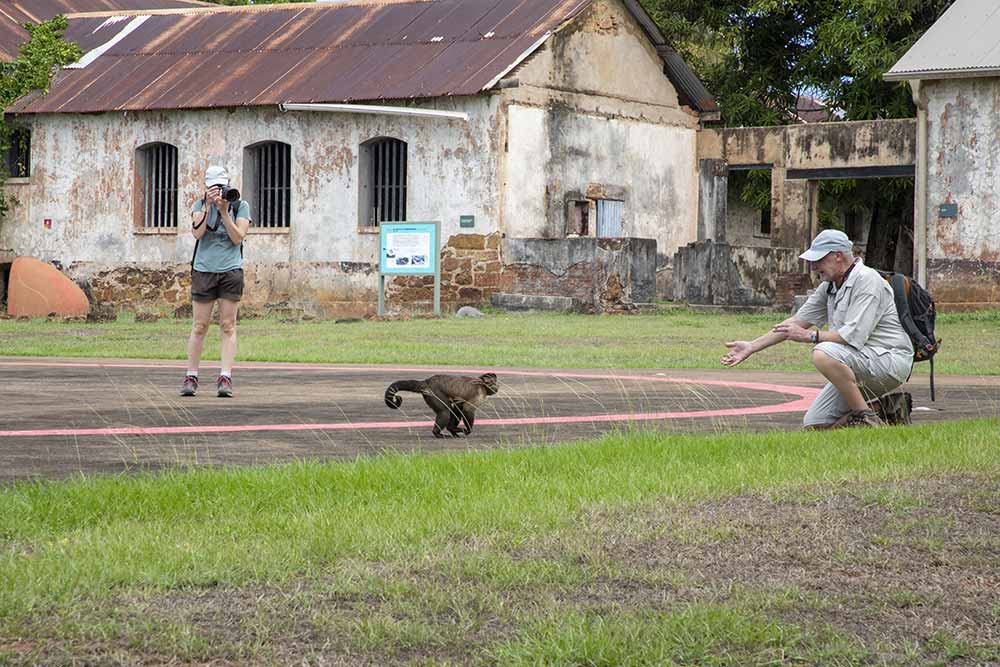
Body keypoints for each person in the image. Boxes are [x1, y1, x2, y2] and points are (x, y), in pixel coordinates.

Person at [721, 229, 913, 428]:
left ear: (838, 256)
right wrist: (752, 347)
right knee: (816, 423)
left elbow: (852, 337)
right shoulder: (829, 285)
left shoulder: (868, 280)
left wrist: (811, 336)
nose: (814, 267)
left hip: (889, 361)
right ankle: (886, 409)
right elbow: (795, 322)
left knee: (823, 353)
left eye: (819, 260)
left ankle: (865, 415)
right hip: (860, 361)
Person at [180, 165, 251, 398]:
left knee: (228, 325)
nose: (219, 191)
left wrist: (224, 212)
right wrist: (210, 206)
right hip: (204, 270)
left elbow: (238, 237)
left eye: (222, 186)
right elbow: (197, 234)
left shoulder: (240, 205)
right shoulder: (199, 206)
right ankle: (191, 376)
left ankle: (225, 377)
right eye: (214, 187)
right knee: (199, 326)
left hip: (230, 270)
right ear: (207, 187)